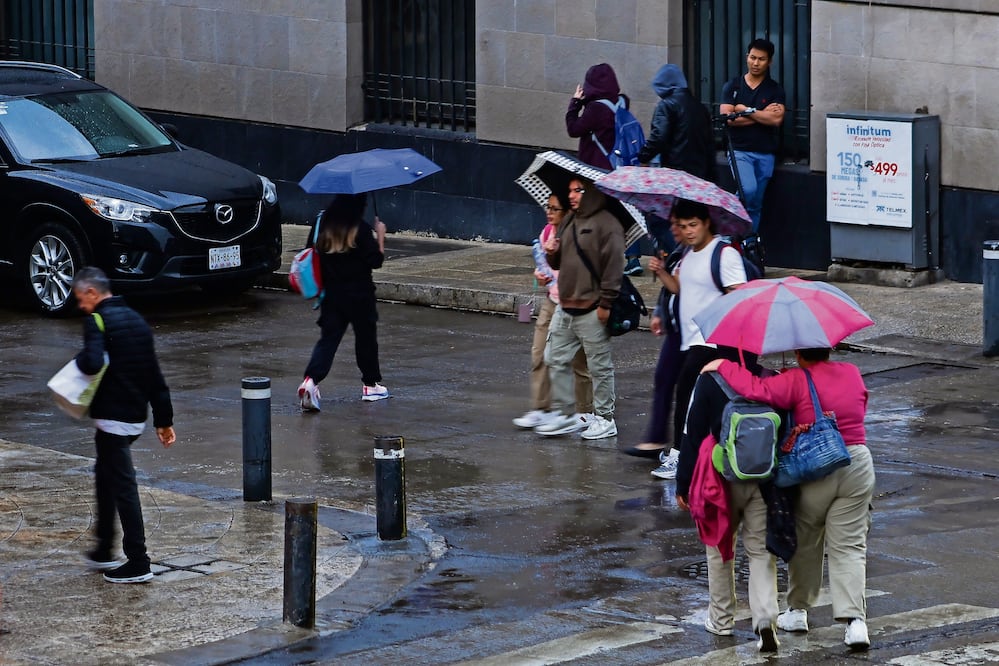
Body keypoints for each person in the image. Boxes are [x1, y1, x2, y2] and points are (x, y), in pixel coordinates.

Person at [701, 348, 874, 650]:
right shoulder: (851, 372)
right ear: (829, 348)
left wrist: (724, 367)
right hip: (857, 461)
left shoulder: (795, 379)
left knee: (807, 539)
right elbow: (861, 404)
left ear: (798, 351)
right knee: (849, 545)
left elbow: (757, 389)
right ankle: (855, 623)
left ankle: (798, 610)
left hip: (814, 465)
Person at [73, 267, 175, 584]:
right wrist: (164, 420)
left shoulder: (97, 321)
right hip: (134, 418)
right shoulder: (137, 321)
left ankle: (138, 561)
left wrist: (75, 362)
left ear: (92, 293)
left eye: (81, 299)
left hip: (111, 420)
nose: (81, 306)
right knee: (105, 477)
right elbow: (155, 377)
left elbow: (91, 362)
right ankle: (104, 547)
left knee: (123, 486)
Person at [674, 371, 780, 652]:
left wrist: (683, 483)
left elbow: (693, 434)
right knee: (760, 552)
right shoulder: (769, 379)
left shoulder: (709, 381)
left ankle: (721, 620)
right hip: (761, 479)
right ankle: (766, 618)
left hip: (720, 479)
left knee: (719, 547)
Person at [647, 199, 752, 479]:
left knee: (685, 395)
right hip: (692, 339)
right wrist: (661, 272)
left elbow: (739, 295)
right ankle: (700, 455)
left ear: (706, 223)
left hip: (714, 341)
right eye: (682, 226)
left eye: (693, 224)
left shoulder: (724, 254)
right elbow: (680, 289)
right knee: (698, 400)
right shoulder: (688, 255)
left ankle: (680, 457)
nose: (688, 231)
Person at [534, 177, 624, 440]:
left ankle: (606, 418)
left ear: (592, 191)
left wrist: (606, 303)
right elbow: (559, 261)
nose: (571, 195)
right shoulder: (570, 219)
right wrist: (551, 252)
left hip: (592, 307)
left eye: (578, 190)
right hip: (566, 304)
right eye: (570, 190)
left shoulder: (607, 224)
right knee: (554, 357)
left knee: (599, 366)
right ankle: (564, 414)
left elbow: (614, 267)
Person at [298, 193, 388, 411]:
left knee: (328, 341)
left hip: (332, 295)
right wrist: (381, 237)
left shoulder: (323, 224)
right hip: (360, 295)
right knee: (365, 339)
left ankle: (310, 380)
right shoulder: (361, 229)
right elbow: (376, 261)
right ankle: (370, 385)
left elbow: (311, 249)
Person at [513, 193, 594, 429]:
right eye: (547, 207)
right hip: (553, 300)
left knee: (580, 362)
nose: (549, 212)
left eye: (555, 208)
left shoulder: (577, 235)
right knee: (539, 354)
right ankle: (542, 408)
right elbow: (544, 270)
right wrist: (539, 276)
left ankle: (584, 412)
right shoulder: (547, 232)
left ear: (567, 211)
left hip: (576, 304)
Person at [564, 62, 643, 277]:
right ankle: (633, 258)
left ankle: (600, 256)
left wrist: (575, 103)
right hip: (621, 166)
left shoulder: (595, 109)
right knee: (624, 210)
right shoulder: (622, 102)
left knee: (597, 213)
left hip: (597, 169)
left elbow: (573, 129)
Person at [622, 218, 686, 458]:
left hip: (694, 334)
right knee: (664, 378)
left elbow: (681, 288)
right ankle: (657, 438)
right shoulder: (680, 252)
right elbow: (671, 288)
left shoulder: (701, 254)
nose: (675, 229)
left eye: (683, 224)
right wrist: (660, 311)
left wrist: (663, 271)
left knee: (687, 389)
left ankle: (679, 449)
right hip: (677, 329)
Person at [720, 38, 786, 233]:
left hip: (766, 153)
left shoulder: (775, 89)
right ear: (746, 57)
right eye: (753, 58)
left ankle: (748, 246)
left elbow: (776, 120)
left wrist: (745, 110)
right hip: (740, 150)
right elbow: (727, 118)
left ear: (770, 62)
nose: (756, 63)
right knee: (747, 190)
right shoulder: (733, 86)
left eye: (761, 59)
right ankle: (727, 229)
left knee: (756, 204)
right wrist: (761, 113)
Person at [637, 64, 715, 182]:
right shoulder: (700, 107)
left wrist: (643, 156)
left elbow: (659, 136)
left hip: (675, 170)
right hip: (699, 173)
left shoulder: (666, 105)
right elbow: (709, 143)